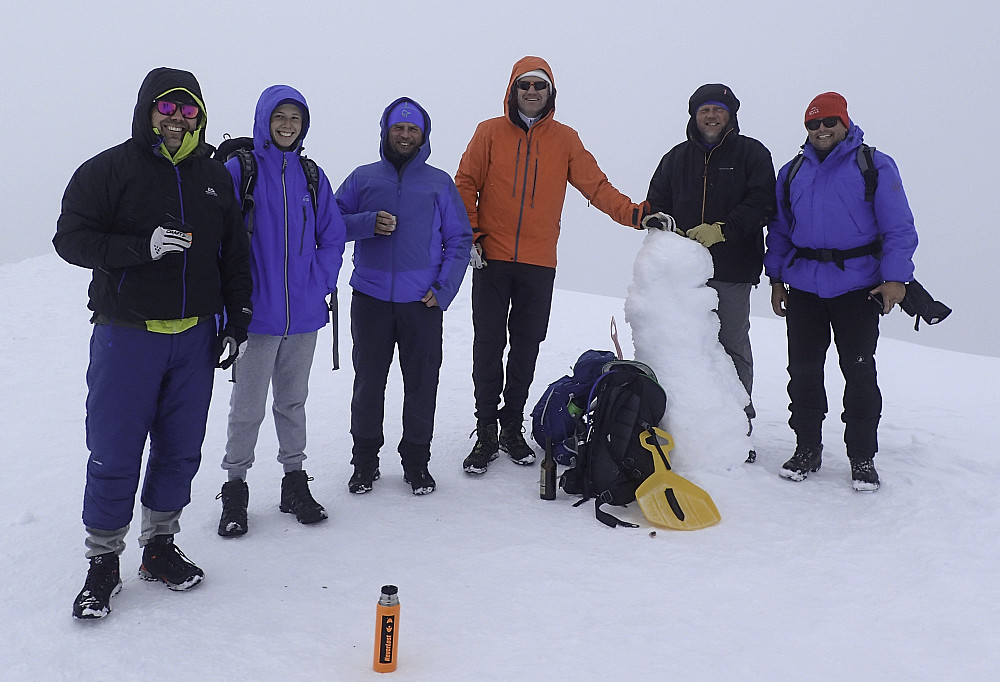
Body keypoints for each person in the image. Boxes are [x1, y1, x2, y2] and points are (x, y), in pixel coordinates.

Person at [55, 67, 253, 619]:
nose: (176, 118)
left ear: (201, 116)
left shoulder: (213, 177)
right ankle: (103, 560)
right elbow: (69, 238)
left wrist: (237, 319)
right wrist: (140, 247)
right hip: (128, 334)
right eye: (167, 108)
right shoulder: (109, 169)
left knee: (180, 447)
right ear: (147, 110)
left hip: (194, 338)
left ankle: (160, 547)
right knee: (116, 448)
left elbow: (234, 254)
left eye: (188, 109)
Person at [455, 55, 649, 475]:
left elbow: (596, 186)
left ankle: (511, 426)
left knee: (526, 345)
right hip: (491, 257)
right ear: (512, 90)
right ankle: (486, 428)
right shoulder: (489, 133)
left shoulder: (564, 139)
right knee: (488, 345)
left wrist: (634, 213)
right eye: (524, 85)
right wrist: (471, 235)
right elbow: (465, 182)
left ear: (550, 93)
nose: (531, 92)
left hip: (538, 263)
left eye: (539, 86)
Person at [764, 92, 918, 492]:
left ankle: (861, 457)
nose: (821, 130)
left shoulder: (874, 165)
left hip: (859, 288)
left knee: (860, 373)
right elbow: (779, 231)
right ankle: (807, 449)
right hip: (804, 290)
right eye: (813, 124)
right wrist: (776, 278)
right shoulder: (792, 171)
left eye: (828, 122)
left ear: (844, 123)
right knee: (803, 373)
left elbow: (899, 227)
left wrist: (897, 278)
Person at [217, 86, 346, 536]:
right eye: (280, 117)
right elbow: (221, 238)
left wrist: (320, 285)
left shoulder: (312, 175)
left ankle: (294, 483)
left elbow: (332, 236)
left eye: (295, 118)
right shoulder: (241, 170)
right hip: (256, 317)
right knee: (247, 408)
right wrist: (231, 304)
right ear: (264, 120)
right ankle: (235, 490)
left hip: (304, 317)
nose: (287, 125)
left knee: (292, 404)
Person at [335, 98, 472, 495]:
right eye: (399, 128)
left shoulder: (438, 182)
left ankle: (416, 463)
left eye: (413, 130)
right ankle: (364, 464)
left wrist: (443, 290)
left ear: (423, 136)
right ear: (386, 132)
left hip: (422, 304)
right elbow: (330, 225)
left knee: (421, 384)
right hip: (371, 300)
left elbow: (459, 239)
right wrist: (366, 222)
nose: (406, 135)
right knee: (368, 384)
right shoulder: (363, 179)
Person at [645, 83, 776, 462]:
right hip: (683, 274)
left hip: (733, 268)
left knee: (732, 345)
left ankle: (738, 427)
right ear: (694, 115)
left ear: (731, 114)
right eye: (704, 110)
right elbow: (657, 202)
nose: (711, 115)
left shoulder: (752, 153)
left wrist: (723, 229)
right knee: (683, 344)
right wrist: (662, 226)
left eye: (719, 109)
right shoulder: (676, 158)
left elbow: (762, 203)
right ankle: (684, 424)